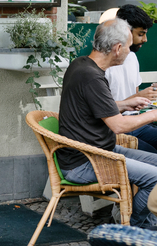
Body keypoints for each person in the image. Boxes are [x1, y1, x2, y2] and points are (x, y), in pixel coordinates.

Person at [58, 18, 157, 228]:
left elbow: (93, 106)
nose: (130, 52)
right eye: (129, 47)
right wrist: (153, 114)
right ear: (118, 48)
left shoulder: (81, 64)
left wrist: (124, 103)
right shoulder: (92, 77)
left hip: (100, 151)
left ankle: (139, 224)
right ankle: (133, 229)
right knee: (154, 178)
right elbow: (119, 126)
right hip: (85, 162)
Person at [105, 4, 157, 153]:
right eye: (140, 34)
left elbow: (134, 96)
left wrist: (149, 95)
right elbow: (102, 110)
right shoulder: (103, 64)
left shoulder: (132, 57)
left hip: (136, 123)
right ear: (125, 31)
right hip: (116, 130)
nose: (145, 40)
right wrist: (138, 96)